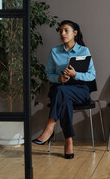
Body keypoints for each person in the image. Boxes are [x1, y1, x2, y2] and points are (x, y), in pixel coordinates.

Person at [32, 20, 96, 159]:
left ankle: (50, 127)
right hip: (61, 88)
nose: (62, 33)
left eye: (66, 30)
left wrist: (76, 74)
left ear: (75, 33)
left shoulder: (84, 51)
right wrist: (59, 78)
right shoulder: (55, 51)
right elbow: (48, 74)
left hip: (80, 90)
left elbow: (92, 75)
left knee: (61, 93)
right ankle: (68, 140)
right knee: (63, 96)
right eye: (60, 31)